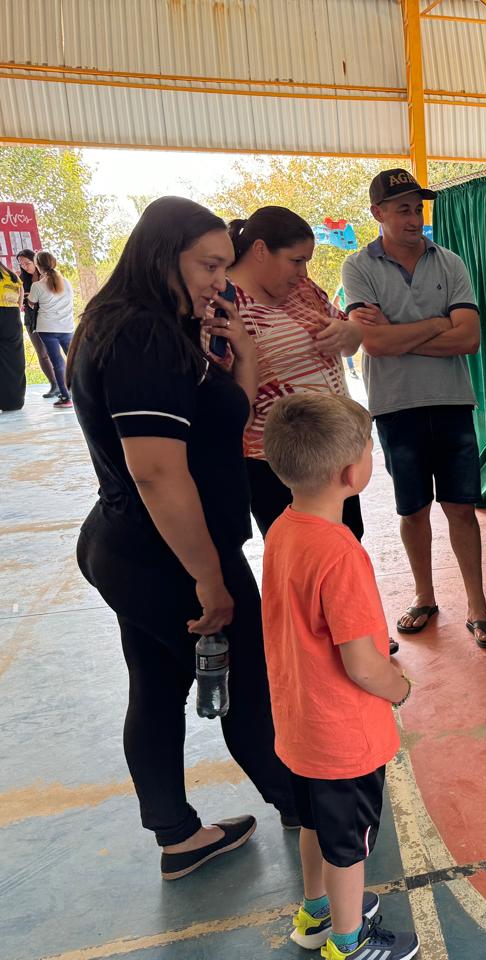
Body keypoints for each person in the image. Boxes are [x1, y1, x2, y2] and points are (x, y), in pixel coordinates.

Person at [68, 196, 298, 879]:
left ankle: (177, 834)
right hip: (164, 555)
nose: (218, 282)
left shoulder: (152, 328)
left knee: (157, 684)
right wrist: (209, 578)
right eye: (207, 265)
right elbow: (159, 474)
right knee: (249, 683)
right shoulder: (141, 340)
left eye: (223, 267)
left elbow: (226, 415)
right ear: (159, 255)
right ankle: (303, 802)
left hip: (135, 549)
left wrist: (242, 349)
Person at [260, 392, 418, 960]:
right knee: (349, 847)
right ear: (351, 473)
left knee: (312, 824)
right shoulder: (341, 552)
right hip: (343, 737)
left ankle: (317, 912)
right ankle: (349, 944)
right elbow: (362, 663)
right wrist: (399, 687)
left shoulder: (284, 528)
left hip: (300, 726)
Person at [341, 168, 486, 648]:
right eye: (403, 209)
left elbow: (470, 338)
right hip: (395, 408)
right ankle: (424, 596)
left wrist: (399, 331)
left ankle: (477, 605)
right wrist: (438, 324)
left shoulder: (450, 262)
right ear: (379, 214)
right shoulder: (358, 267)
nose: (414, 218)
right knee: (412, 510)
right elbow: (372, 344)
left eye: (418, 208)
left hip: (453, 404)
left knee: (461, 508)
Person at [226, 206, 364, 539]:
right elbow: (228, 406)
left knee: (347, 542)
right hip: (277, 462)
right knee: (300, 554)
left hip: (334, 448)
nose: (303, 272)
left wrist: (351, 334)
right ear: (260, 250)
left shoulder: (303, 291)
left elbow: (351, 338)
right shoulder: (225, 307)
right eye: (296, 260)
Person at [28, 250, 75, 407]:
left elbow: (31, 303)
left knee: (57, 362)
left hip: (47, 328)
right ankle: (84, 393)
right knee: (75, 360)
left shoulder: (37, 285)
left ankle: (66, 398)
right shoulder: (66, 282)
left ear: (38, 266)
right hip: (67, 327)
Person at [16, 249, 58, 396]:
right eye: (21, 264)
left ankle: (66, 384)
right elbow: (21, 298)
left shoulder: (49, 276)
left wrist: (31, 297)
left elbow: (52, 295)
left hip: (48, 317)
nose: (24, 267)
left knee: (54, 352)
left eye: (27, 263)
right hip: (30, 319)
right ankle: (54, 384)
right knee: (42, 353)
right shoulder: (22, 278)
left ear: (36, 261)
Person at [0, 262, 25, 410]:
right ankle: (13, 401)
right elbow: (20, 297)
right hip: (12, 316)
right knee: (14, 359)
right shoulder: (12, 275)